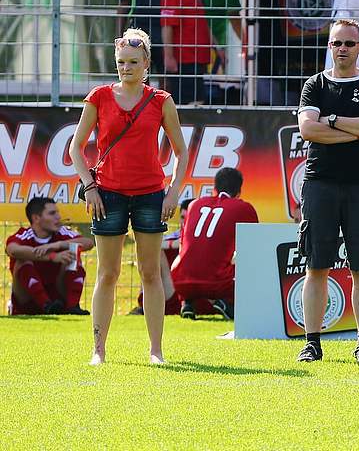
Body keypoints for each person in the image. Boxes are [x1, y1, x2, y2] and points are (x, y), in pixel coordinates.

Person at [69, 28, 189, 365]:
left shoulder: (162, 100)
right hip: (107, 194)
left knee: (151, 273)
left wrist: (173, 192)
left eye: (133, 62)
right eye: (121, 62)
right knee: (107, 273)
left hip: (151, 194)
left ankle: (156, 351)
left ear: (147, 63)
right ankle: (98, 350)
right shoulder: (99, 97)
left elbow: (181, 151)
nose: (126, 68)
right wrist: (90, 186)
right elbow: (76, 148)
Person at [294, 18, 359, 364]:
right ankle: (312, 342)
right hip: (320, 183)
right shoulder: (315, 85)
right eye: (336, 43)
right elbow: (308, 130)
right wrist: (357, 129)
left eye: (349, 44)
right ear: (329, 46)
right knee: (316, 267)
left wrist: (332, 121)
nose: (342, 49)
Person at [170, 167, 259, 320]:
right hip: (218, 284)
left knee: (190, 260)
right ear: (238, 192)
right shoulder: (244, 208)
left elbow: (184, 244)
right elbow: (253, 249)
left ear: (214, 188)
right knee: (248, 265)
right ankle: (226, 302)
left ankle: (187, 302)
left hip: (180, 282)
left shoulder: (194, 205)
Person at [6, 197, 93, 315]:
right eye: (52, 213)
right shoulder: (25, 235)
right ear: (36, 218)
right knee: (22, 260)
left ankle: (73, 307)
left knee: (73, 253)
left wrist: (58, 245)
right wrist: (52, 256)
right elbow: (12, 250)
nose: (58, 217)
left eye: (57, 212)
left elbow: (89, 243)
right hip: (27, 302)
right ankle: (46, 305)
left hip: (58, 298)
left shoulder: (61, 233)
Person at [160, 0, 221, 105]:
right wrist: (169, 55)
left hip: (197, 59)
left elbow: (202, 22)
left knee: (198, 101)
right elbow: (167, 24)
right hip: (184, 60)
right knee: (188, 104)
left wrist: (216, 46)